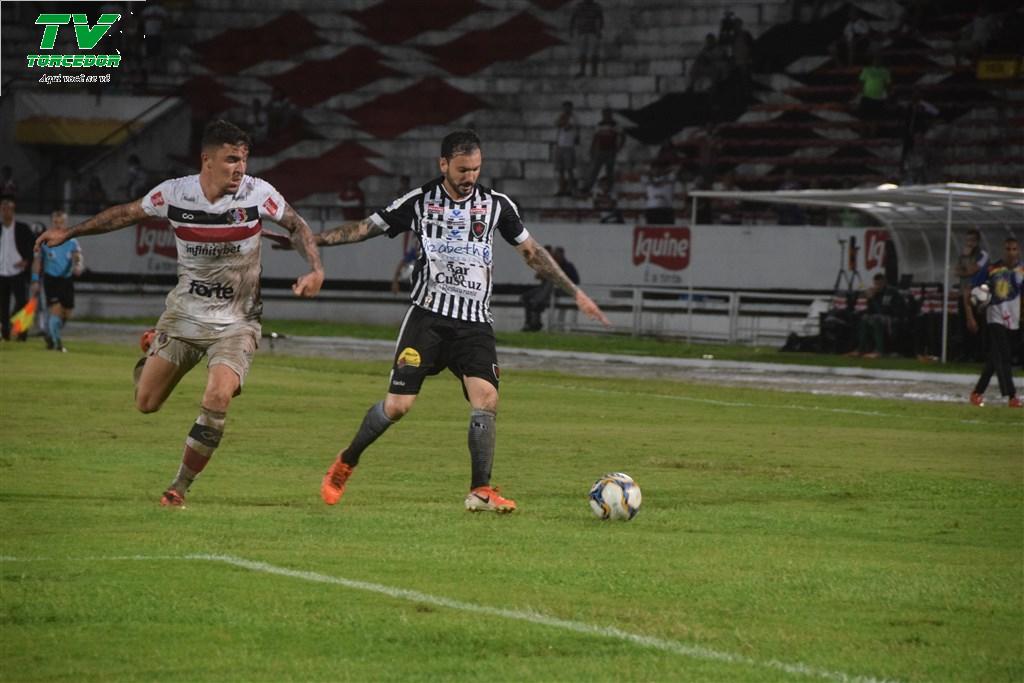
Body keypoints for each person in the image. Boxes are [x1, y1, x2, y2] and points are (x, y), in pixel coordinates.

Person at [311, 130, 609, 513]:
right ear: (444, 164)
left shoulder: (496, 205)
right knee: (398, 406)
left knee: (487, 399)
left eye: (476, 169)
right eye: (463, 169)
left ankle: (480, 491)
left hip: (474, 323)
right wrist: (312, 240)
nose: (470, 177)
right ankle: (346, 461)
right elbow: (365, 228)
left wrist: (575, 292)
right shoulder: (419, 201)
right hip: (428, 319)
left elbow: (532, 252)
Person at [34, 120, 325, 506]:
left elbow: (297, 226)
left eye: (243, 160)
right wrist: (69, 232)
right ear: (207, 160)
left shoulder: (258, 194)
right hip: (185, 316)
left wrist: (316, 269)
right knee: (146, 402)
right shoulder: (175, 194)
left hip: (237, 321)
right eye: (231, 159)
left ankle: (179, 487)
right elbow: (125, 214)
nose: (240, 168)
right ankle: (152, 350)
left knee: (218, 396)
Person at [969, 237, 1023, 408]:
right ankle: (1012, 396)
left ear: (1018, 251)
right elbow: (974, 288)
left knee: (995, 357)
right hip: (995, 317)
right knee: (1004, 355)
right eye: (1008, 249)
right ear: (1003, 250)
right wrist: (978, 301)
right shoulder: (992, 268)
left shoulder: (1021, 270)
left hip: (1013, 319)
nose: (1011, 252)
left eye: (1014, 249)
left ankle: (977, 392)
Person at [30, 211, 83, 352]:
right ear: (52, 223)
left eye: (61, 222)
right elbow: (37, 261)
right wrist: (35, 280)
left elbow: (77, 256)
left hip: (66, 280)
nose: (58, 225)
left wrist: (78, 265)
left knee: (67, 313)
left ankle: (50, 334)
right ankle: (56, 343)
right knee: (56, 310)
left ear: (66, 223)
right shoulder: (45, 240)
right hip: (51, 280)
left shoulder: (72, 241)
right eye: (56, 222)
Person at [0, 195, 35, 341]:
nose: (6, 211)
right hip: (2, 272)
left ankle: (21, 334)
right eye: (3, 208)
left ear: (13, 209)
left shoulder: (22, 228)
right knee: (3, 305)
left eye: (9, 208)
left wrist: (27, 260)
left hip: (18, 272)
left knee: (22, 303)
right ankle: (5, 334)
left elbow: (33, 247)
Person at [847, 273, 904, 358]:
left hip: (892, 317)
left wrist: (872, 299)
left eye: (879, 283)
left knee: (876, 319)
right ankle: (860, 349)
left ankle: (879, 351)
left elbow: (883, 311)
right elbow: (871, 311)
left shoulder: (891, 292)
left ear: (884, 282)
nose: (877, 286)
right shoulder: (875, 292)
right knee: (864, 318)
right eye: (876, 284)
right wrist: (869, 299)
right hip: (879, 316)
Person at [954, 227, 989, 362]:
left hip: (977, 294)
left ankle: (978, 353)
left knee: (977, 323)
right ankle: (965, 353)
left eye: (972, 240)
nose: (969, 243)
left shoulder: (982, 255)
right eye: (968, 240)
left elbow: (971, 270)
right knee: (963, 324)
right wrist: (964, 269)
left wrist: (965, 267)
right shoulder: (962, 255)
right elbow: (956, 271)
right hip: (963, 293)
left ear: (977, 241)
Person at [581, 108, 624, 194]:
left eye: (607, 114)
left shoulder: (615, 125)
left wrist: (619, 147)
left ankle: (609, 188)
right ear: (602, 115)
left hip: (611, 151)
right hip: (600, 150)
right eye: (604, 114)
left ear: (610, 114)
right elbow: (595, 137)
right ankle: (587, 187)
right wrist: (592, 149)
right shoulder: (600, 124)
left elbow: (623, 136)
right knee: (594, 170)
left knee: (609, 171)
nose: (606, 116)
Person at [569, 0, 603, 77]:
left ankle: (594, 72)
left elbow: (600, 19)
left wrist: (599, 30)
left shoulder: (596, 6)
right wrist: (571, 29)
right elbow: (573, 18)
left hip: (593, 32)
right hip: (582, 32)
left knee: (594, 53)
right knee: (582, 52)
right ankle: (582, 71)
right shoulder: (579, 6)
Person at [553, 101, 579, 197]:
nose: (565, 110)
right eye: (564, 108)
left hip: (569, 147)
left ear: (571, 108)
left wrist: (563, 120)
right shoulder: (561, 116)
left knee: (569, 169)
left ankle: (571, 189)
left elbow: (567, 127)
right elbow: (556, 124)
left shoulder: (573, 118)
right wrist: (562, 120)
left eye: (567, 108)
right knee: (560, 170)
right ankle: (561, 189)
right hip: (560, 146)